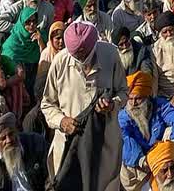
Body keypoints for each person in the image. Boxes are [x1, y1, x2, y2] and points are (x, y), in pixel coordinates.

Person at [40, 21, 127, 190]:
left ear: (93, 46)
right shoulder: (60, 62)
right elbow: (47, 104)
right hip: (69, 144)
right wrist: (62, 121)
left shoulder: (110, 54)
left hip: (104, 143)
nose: (80, 58)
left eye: (83, 54)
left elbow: (123, 91)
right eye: (76, 56)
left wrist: (112, 105)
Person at [119, 71, 174, 191]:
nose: (133, 103)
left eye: (138, 99)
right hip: (139, 165)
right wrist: (142, 160)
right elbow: (125, 138)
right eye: (130, 99)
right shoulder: (124, 116)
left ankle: (170, 175)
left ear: (147, 97)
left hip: (162, 159)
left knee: (170, 131)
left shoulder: (159, 105)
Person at [0, 112, 50, 191]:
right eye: (3, 138)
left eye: (11, 134)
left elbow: (51, 177)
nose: (9, 140)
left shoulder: (36, 143)